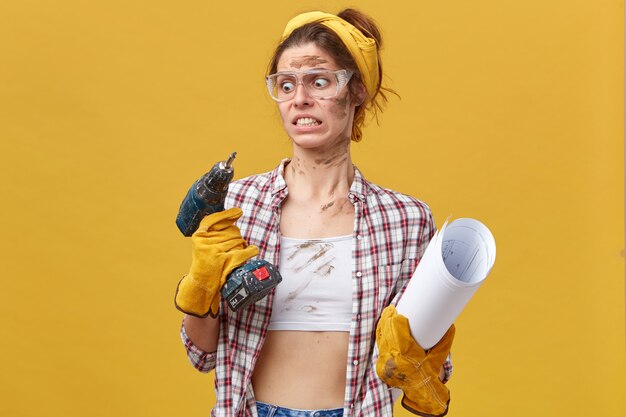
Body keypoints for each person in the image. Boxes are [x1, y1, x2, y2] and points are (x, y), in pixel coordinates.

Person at [175, 9, 455, 417]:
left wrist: (419, 358)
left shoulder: (406, 220)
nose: (300, 98)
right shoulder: (239, 206)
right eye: (286, 85)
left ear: (356, 90)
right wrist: (201, 288)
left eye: (319, 81)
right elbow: (201, 355)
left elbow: (428, 366)